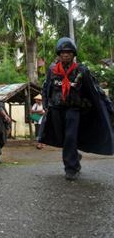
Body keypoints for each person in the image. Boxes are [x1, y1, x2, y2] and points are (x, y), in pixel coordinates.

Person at [40, 37, 114, 180]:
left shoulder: (82, 70)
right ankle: (74, 154)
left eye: (68, 52)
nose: (65, 55)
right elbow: (46, 88)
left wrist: (107, 104)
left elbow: (94, 89)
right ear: (59, 54)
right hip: (56, 108)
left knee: (70, 136)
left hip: (74, 109)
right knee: (62, 137)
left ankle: (71, 168)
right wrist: (45, 104)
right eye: (62, 52)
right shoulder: (52, 70)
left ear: (73, 54)